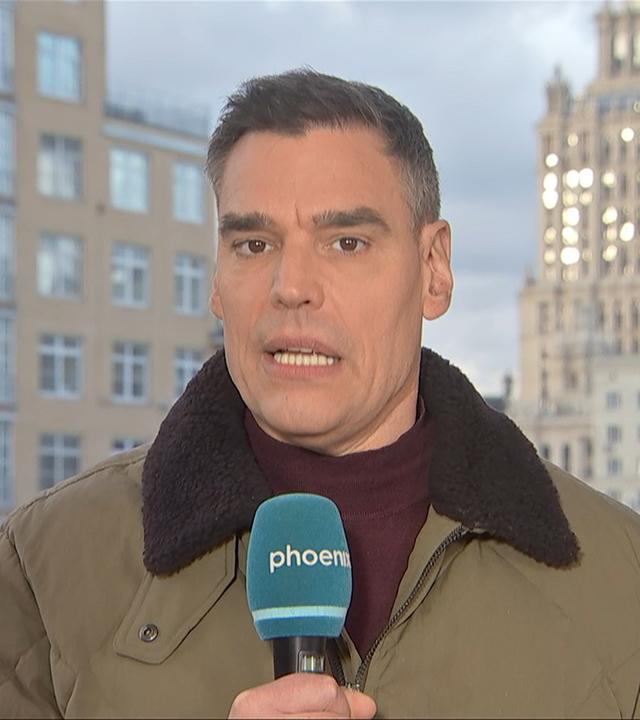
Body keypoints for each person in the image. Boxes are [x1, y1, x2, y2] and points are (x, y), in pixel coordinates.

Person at [1, 69, 639, 719]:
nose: (292, 286)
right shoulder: (44, 563)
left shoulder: (622, 579)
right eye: (254, 243)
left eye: (346, 243)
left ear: (433, 269)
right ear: (218, 279)